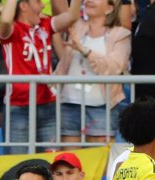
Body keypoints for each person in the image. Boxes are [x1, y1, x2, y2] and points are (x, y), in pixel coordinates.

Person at [0, 0, 82, 153]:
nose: (43, 5)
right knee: (19, 165)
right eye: (37, 1)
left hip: (48, 105)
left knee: (50, 165)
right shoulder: (11, 30)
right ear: (23, 6)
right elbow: (4, 19)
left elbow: (72, 16)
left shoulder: (45, 25)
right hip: (18, 107)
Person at [55, 0, 131, 144]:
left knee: (99, 159)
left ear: (109, 8)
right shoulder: (75, 26)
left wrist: (85, 51)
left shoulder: (121, 34)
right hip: (69, 102)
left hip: (101, 105)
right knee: (68, 162)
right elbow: (65, 13)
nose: (89, 0)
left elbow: (114, 68)